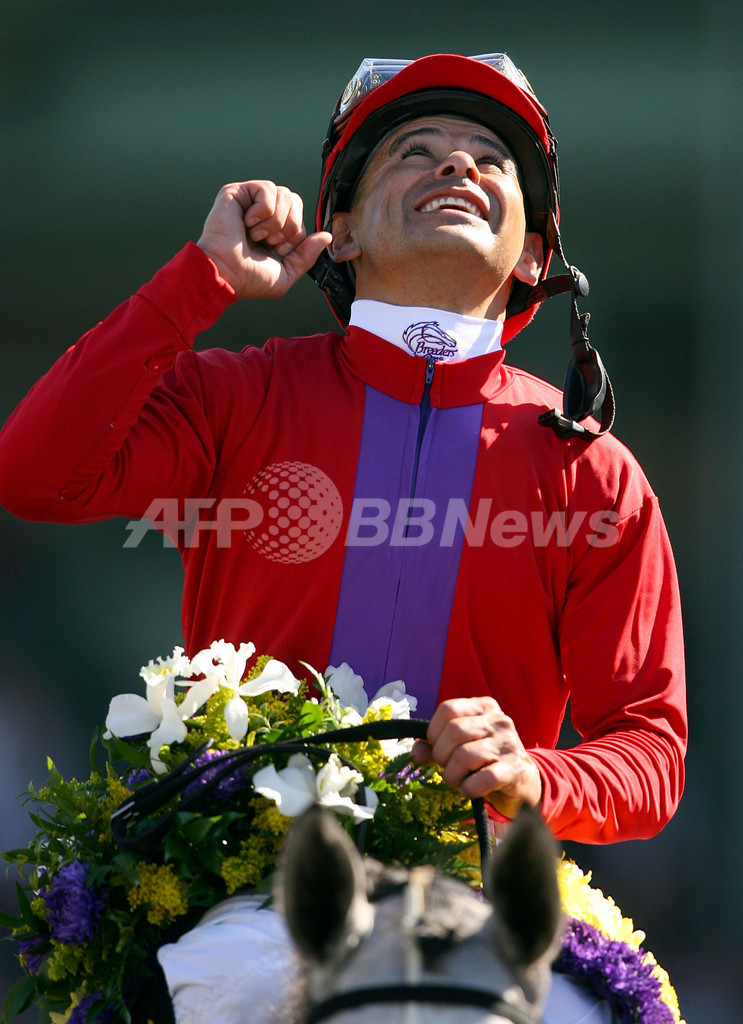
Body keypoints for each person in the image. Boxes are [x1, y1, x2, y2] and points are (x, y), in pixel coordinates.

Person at [0, 52, 686, 1023]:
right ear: (345, 232)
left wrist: (535, 774)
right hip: (244, 897)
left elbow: (648, 753)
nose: (456, 166)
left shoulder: (594, 470)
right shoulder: (238, 395)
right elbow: (36, 474)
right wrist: (200, 282)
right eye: (414, 151)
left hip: (482, 892)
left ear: (535, 256)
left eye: (488, 158)